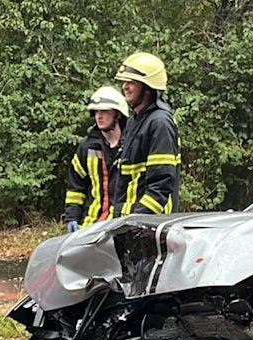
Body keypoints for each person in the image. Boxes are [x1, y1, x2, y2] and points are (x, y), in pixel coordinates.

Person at [112, 52, 180, 216]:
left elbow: (161, 184)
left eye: (132, 82)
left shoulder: (160, 123)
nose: (125, 87)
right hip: (129, 223)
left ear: (148, 87)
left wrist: (139, 222)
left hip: (149, 227)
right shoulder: (134, 122)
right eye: (124, 82)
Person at [63, 86, 128, 232]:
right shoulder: (87, 147)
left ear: (117, 114)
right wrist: (72, 218)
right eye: (96, 112)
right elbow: (75, 187)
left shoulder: (132, 146)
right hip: (91, 224)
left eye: (104, 111)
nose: (99, 116)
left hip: (122, 224)